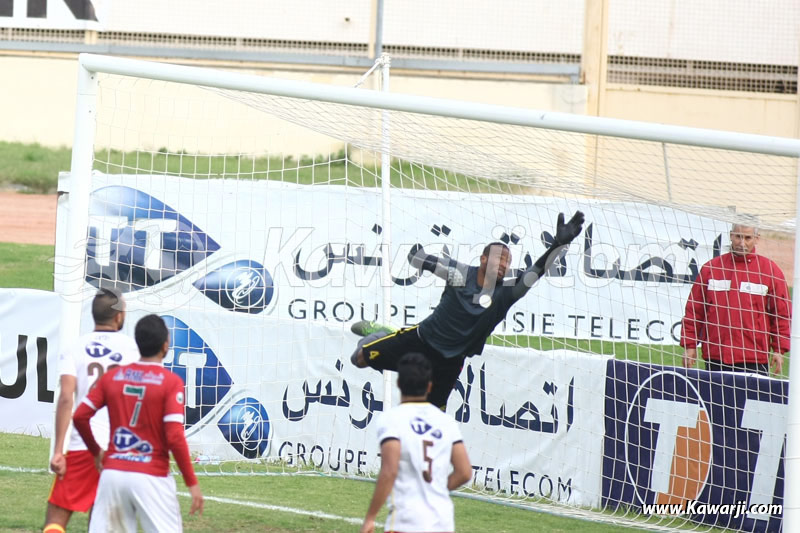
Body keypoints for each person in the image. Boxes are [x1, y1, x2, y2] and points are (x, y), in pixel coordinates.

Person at [351, 211, 585, 409]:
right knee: (358, 360)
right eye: (499, 259)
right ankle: (384, 333)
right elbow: (422, 261)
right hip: (420, 341)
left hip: (450, 362)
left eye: (507, 261)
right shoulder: (460, 275)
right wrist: (422, 259)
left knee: (432, 421)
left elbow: (537, 270)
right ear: (483, 259)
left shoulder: (507, 293)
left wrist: (559, 244)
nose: (504, 264)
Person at [72, 314, 203, 532]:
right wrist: (191, 482)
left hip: (113, 473)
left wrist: (97, 452)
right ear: (165, 346)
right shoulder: (171, 383)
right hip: (152, 476)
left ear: (137, 344)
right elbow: (174, 436)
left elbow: (79, 416)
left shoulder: (113, 377)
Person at [44, 288, 140, 533]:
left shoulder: (75, 347)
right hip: (117, 449)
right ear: (119, 316)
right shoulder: (131, 350)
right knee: (102, 521)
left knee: (56, 518)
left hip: (81, 446)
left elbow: (66, 398)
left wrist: (58, 451)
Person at [360, 352, 472, 533]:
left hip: (407, 520)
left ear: (398, 384)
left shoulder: (391, 419)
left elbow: (389, 471)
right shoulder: (446, 422)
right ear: (429, 386)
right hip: (442, 521)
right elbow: (464, 472)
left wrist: (370, 517)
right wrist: (438, 491)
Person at [681, 223, 791, 376]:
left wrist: (779, 349)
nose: (742, 243)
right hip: (716, 355)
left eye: (747, 238)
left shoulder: (770, 271)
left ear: (757, 239)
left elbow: (782, 315)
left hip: (754, 359)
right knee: (715, 400)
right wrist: (690, 345)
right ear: (731, 236)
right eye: (738, 237)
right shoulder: (711, 268)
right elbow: (694, 311)